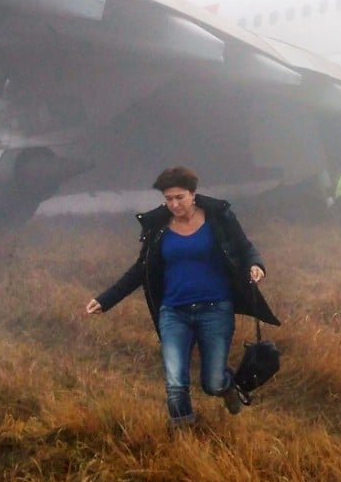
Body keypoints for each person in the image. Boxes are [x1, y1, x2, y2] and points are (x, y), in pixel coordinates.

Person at [85, 166, 279, 427]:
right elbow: (140, 269)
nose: (174, 204)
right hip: (173, 312)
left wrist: (255, 265)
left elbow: (245, 248)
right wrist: (105, 299)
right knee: (175, 383)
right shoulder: (158, 228)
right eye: (168, 199)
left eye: (179, 197)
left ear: (193, 194)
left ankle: (227, 387)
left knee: (212, 382)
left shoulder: (218, 218)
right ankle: (184, 434)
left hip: (215, 310)